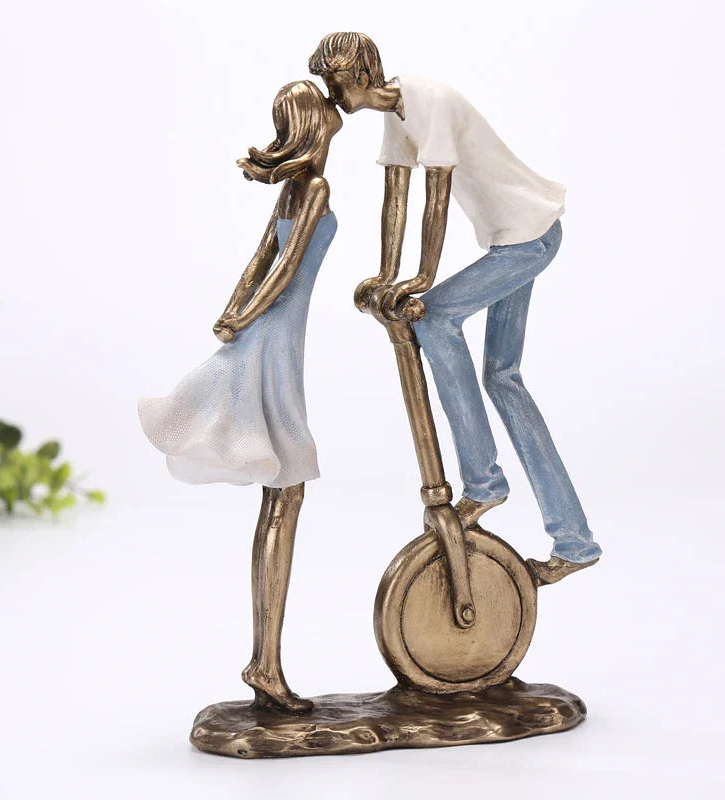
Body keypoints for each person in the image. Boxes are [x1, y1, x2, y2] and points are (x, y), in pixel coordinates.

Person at [309, 33, 601, 583]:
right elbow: (397, 195)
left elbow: (435, 199)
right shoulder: (396, 113)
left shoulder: (432, 102)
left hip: (528, 238)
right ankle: (576, 542)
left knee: (438, 316)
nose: (333, 93)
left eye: (337, 82)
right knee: (504, 379)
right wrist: (386, 275)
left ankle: (484, 483)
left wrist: (421, 279)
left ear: (363, 76)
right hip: (512, 237)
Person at [139, 80, 342, 711]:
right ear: (316, 127)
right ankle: (265, 665)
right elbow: (279, 267)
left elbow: (259, 262)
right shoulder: (314, 187)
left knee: (282, 492)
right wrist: (243, 315)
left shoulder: (292, 188)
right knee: (287, 490)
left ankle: (265, 663)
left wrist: (234, 312)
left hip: (268, 334)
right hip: (273, 345)